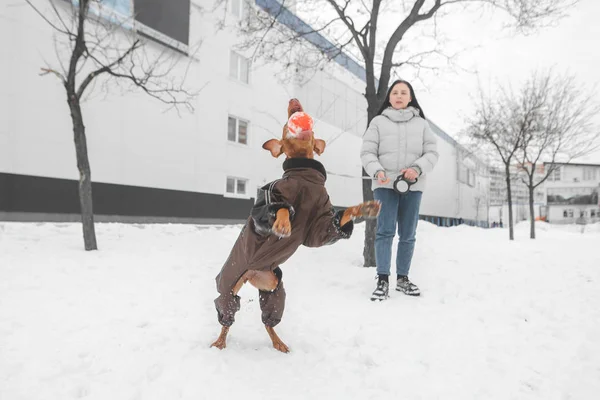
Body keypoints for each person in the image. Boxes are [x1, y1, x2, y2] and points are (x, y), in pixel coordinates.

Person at [360, 79, 439, 301]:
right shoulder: (377, 122)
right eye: (395, 92)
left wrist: (417, 168)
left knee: (408, 234)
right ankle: (382, 280)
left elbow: (432, 153)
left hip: (412, 187)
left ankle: (403, 279)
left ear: (411, 97)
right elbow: (367, 152)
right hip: (385, 185)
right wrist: (377, 171)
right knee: (385, 231)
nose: (399, 96)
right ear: (389, 97)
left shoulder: (422, 124)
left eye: (404, 92)